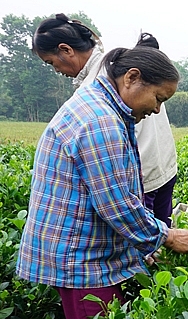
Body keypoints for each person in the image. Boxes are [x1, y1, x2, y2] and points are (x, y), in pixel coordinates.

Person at [16, 46, 188, 319]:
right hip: (80, 262)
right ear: (131, 77)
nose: (156, 109)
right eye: (158, 98)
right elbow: (116, 204)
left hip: (83, 253)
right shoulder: (99, 122)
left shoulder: (99, 105)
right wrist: (166, 236)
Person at [32, 14, 179, 226]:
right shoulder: (118, 64)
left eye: (51, 62)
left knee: (146, 248)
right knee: (159, 243)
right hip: (162, 169)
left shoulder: (98, 85)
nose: (56, 70)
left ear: (66, 50)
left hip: (141, 181)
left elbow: (116, 207)